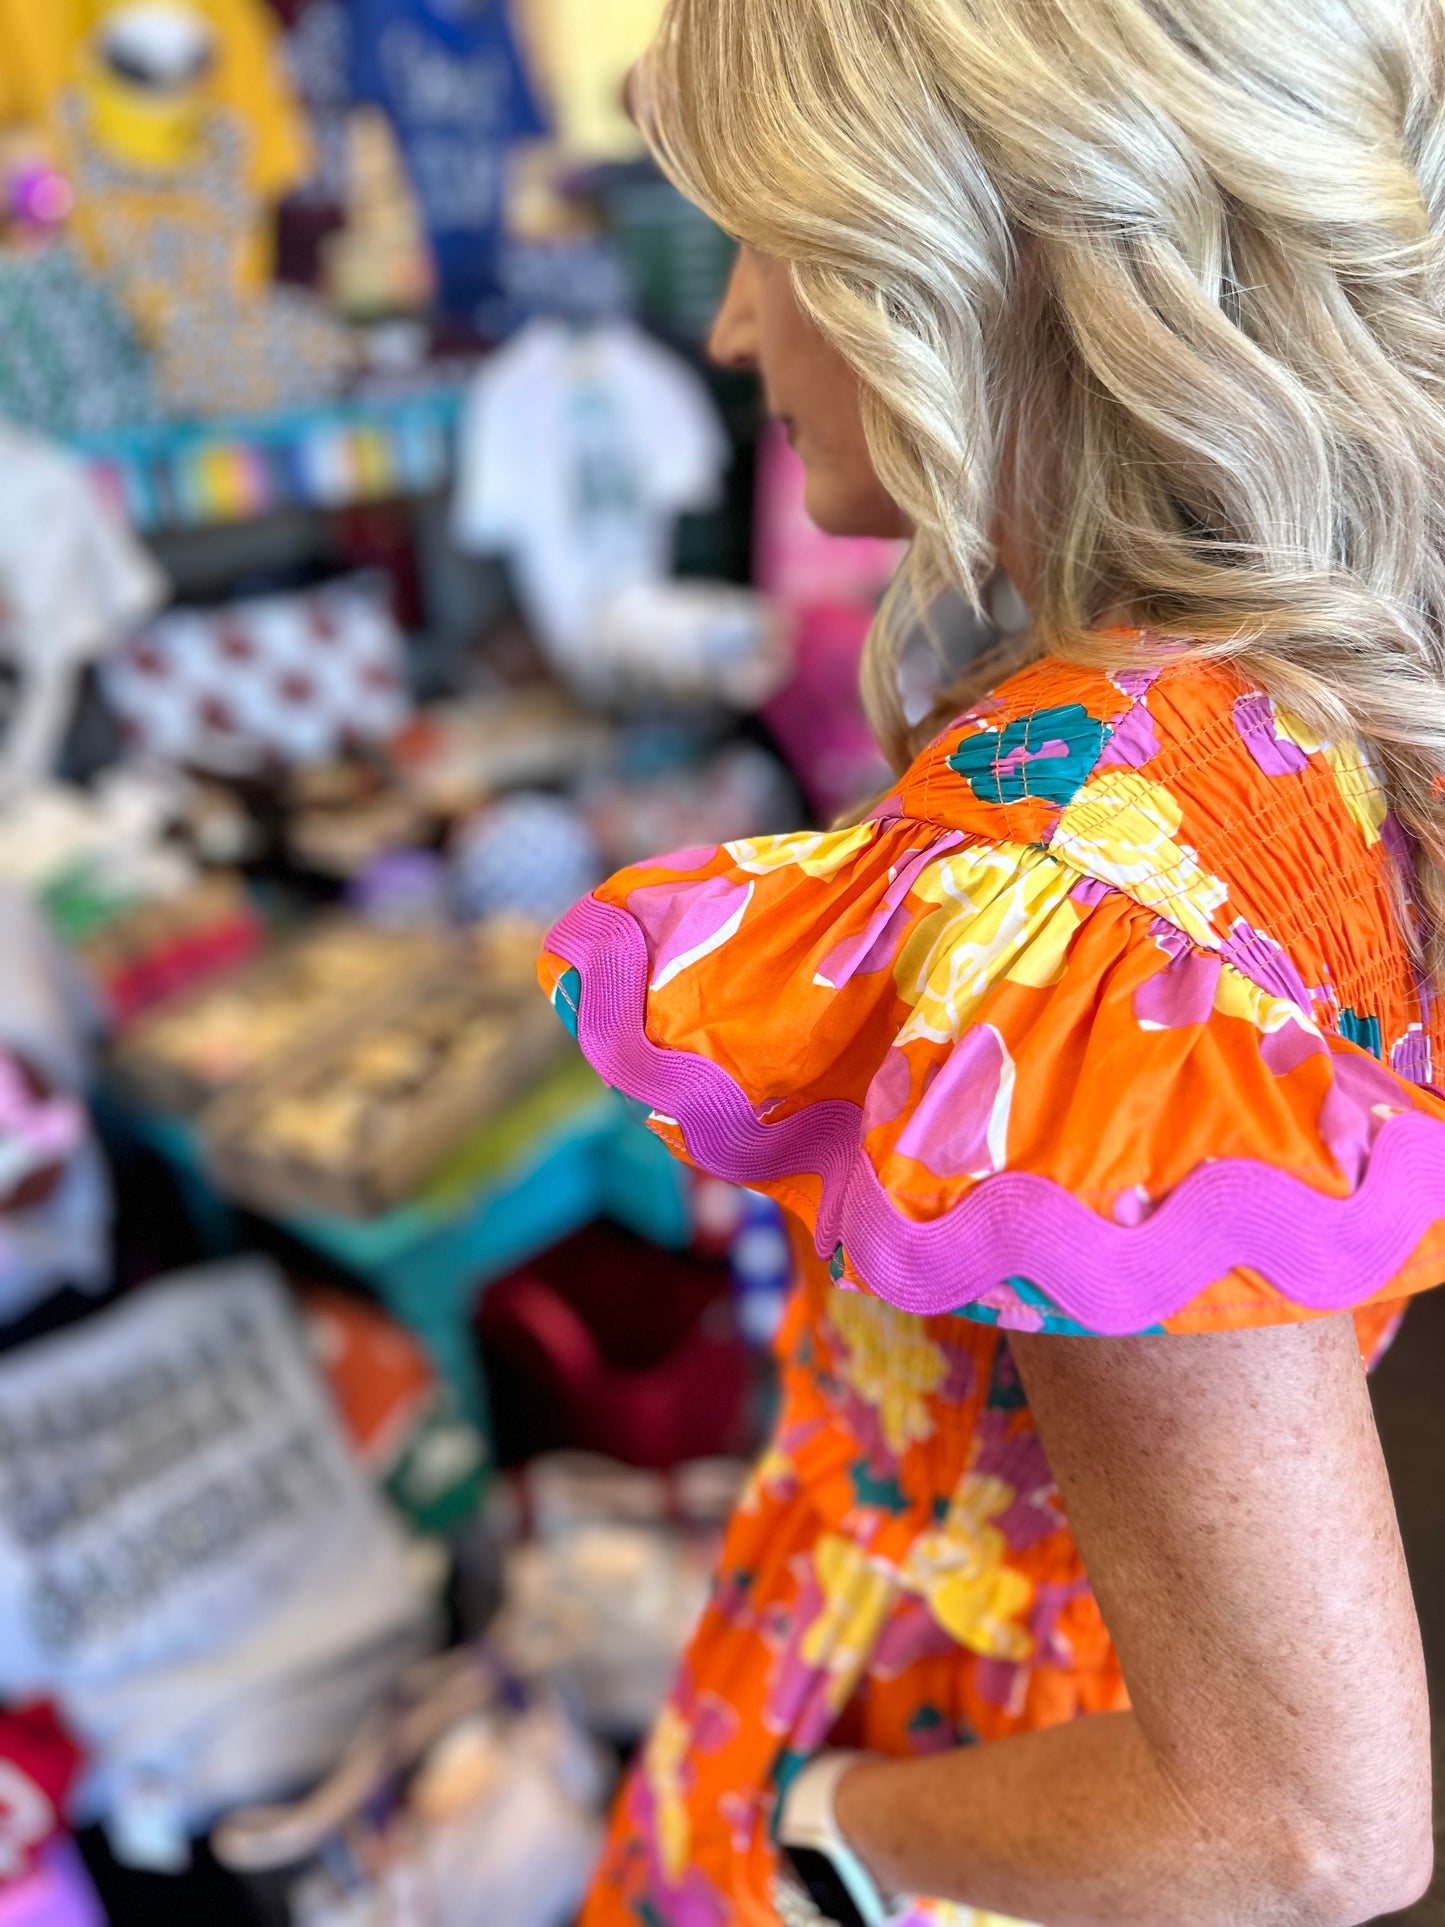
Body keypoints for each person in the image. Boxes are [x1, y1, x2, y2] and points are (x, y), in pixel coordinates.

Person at [539, 2, 1445, 1921]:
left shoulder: (1068, 884)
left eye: (765, 244)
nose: (725, 329)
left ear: (977, 238)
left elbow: (1306, 1826)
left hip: (958, 1794)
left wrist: (827, 1821)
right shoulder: (1287, 726)